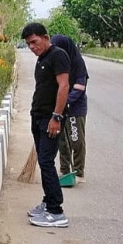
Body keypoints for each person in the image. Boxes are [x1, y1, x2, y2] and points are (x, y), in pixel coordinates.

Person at [21, 22, 70, 228]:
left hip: (50, 118)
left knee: (47, 162)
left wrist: (56, 117)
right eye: (28, 44)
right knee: (44, 161)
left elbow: (64, 86)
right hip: (38, 116)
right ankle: (48, 202)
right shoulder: (42, 58)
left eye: (34, 42)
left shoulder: (58, 55)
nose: (32, 47)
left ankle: (56, 211)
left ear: (45, 37)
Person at [50, 34, 89, 183]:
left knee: (76, 139)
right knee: (62, 141)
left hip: (75, 108)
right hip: (59, 107)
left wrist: (66, 101)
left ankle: (79, 172)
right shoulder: (58, 61)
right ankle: (65, 170)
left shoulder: (78, 62)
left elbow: (80, 87)